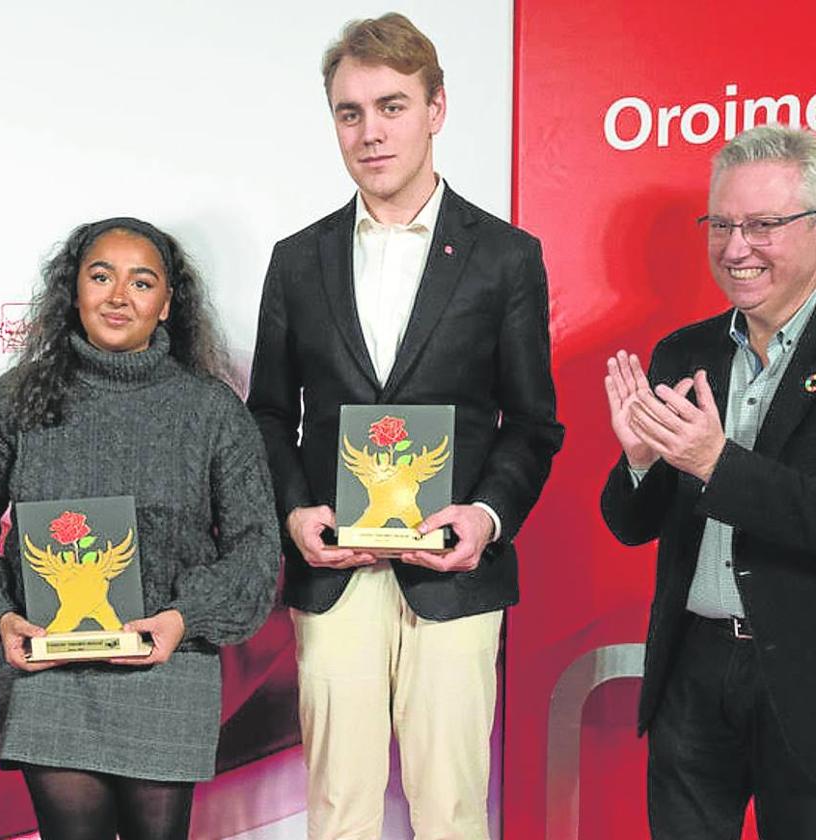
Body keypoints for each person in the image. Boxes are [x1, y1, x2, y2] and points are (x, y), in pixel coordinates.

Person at [247, 13, 563, 840]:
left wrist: (485, 518)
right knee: (339, 810)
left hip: (453, 569)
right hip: (334, 565)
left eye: (391, 105)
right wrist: (294, 515)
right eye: (350, 113)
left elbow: (532, 424)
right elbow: (271, 415)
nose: (370, 131)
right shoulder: (296, 258)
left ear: (437, 109)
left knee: (451, 809)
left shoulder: (505, 256)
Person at [0, 216, 278, 840]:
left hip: (168, 664)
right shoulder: (14, 400)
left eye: (142, 282)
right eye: (101, 276)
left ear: (168, 304)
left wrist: (183, 619)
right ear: (74, 291)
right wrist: (2, 617)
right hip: (52, 672)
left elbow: (257, 551)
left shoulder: (211, 410)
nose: (119, 296)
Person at [601, 124, 816, 838]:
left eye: (763, 226)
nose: (736, 248)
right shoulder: (683, 352)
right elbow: (633, 525)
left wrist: (715, 464)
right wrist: (639, 460)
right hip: (693, 670)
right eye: (721, 224)